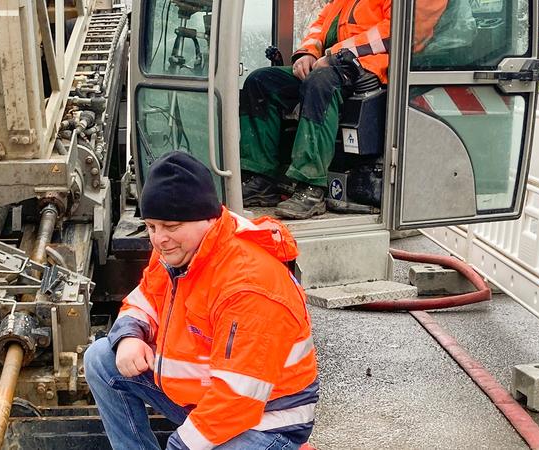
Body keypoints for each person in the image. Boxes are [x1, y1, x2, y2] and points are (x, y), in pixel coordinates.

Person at [85, 151, 318, 450]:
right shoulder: (177, 251)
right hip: (204, 398)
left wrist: (181, 444)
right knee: (102, 358)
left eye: (170, 227)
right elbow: (143, 300)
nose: (159, 239)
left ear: (207, 219)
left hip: (266, 420)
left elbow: (237, 398)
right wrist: (129, 336)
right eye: (152, 227)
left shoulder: (247, 284)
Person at [239, 0, 448, 219]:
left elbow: (403, 31)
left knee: (320, 82)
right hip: (331, 64)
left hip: (369, 70)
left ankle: (311, 186)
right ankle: (260, 178)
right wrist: (307, 53)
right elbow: (319, 27)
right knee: (261, 81)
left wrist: (336, 55)